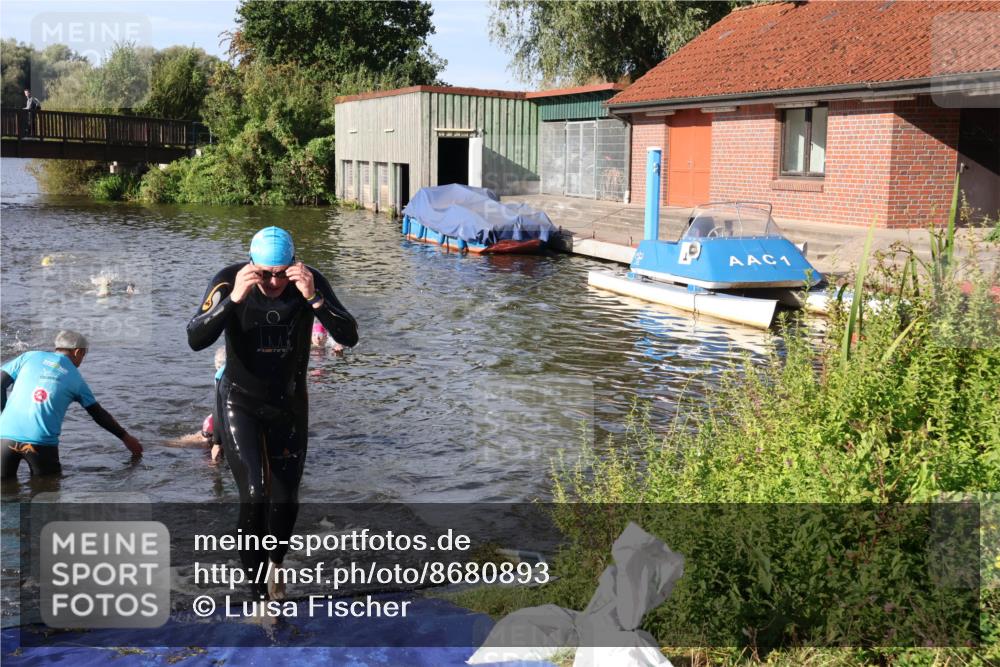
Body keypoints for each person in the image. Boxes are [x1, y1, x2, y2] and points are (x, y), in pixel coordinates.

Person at [187, 226, 358, 601]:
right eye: (265, 273)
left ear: (294, 265)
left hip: (289, 404)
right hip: (239, 401)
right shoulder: (228, 281)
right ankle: (257, 595)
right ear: (252, 265)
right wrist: (233, 299)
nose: (275, 281)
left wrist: (314, 299)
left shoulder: (308, 281)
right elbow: (195, 337)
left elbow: (349, 336)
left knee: (285, 498)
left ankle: (275, 566)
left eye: (282, 272)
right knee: (254, 494)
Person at [0, 330, 143, 479]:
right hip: (41, 442)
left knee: (5, 493)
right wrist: (126, 438)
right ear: (78, 352)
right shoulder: (76, 379)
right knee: (46, 495)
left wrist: (3, 416)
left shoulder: (29, 357)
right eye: (84, 355)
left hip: (3, 437)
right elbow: (98, 414)